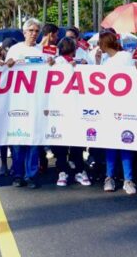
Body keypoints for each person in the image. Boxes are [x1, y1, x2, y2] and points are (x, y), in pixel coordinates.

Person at [4, 18, 50, 189]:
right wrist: (9, 65)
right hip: (18, 101)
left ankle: (31, 174)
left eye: (36, 31)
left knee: (33, 140)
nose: (34, 34)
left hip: (36, 101)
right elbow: (6, 72)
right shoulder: (15, 50)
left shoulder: (42, 51)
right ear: (24, 32)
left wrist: (52, 64)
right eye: (31, 31)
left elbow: (50, 73)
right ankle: (17, 174)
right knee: (17, 140)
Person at [98, 30, 137, 194]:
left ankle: (128, 179)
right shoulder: (105, 60)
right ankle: (109, 177)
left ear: (105, 43)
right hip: (109, 107)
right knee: (111, 143)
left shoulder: (125, 57)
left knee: (126, 142)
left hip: (125, 107)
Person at [51, 37, 91, 187]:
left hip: (77, 108)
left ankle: (79, 171)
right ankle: (63, 171)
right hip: (59, 109)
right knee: (61, 142)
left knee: (76, 142)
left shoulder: (82, 63)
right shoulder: (54, 63)